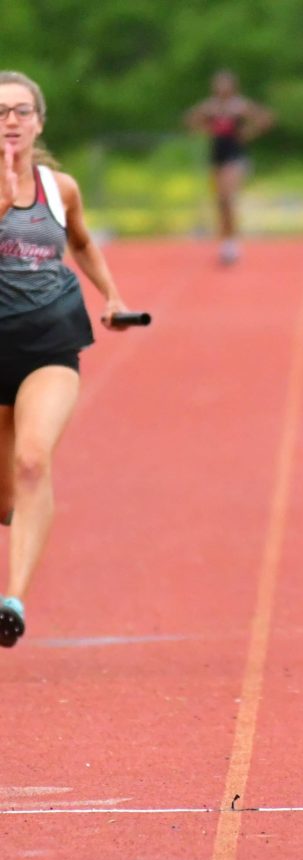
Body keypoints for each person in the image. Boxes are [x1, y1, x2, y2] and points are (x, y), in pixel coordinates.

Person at [0, 71, 131, 647]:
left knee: (33, 460)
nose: (10, 121)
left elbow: (79, 241)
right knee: (5, 496)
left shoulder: (61, 189)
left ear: (39, 122)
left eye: (21, 111)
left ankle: (12, 600)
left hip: (49, 344)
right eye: (0, 112)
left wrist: (113, 297)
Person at [184, 70, 274, 265]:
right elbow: (190, 119)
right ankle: (225, 241)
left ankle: (232, 242)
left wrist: (248, 133)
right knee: (220, 201)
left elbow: (265, 118)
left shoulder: (240, 106)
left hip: (235, 155)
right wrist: (206, 129)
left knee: (228, 198)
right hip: (217, 155)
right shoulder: (210, 107)